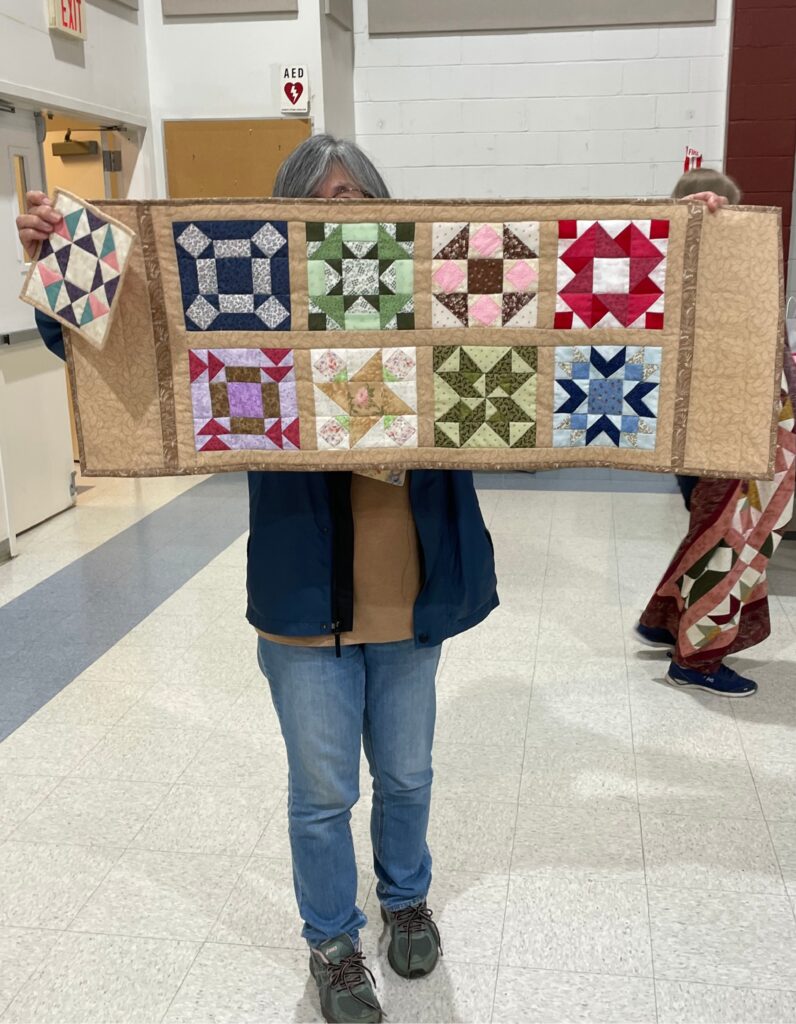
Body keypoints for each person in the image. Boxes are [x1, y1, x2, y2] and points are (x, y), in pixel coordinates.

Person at [17, 135, 499, 1024]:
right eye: (321, 200)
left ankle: (405, 901)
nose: (342, 215)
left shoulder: (437, 302)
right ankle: (333, 943)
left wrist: (698, 240)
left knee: (408, 773)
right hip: (303, 595)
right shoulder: (250, 313)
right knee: (322, 793)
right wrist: (59, 260)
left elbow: (566, 310)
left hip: (412, 590)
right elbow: (121, 340)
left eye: (357, 197)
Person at [635, 168, 796, 697]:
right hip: (725, 429)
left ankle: (663, 620)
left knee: (711, 532)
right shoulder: (683, 263)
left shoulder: (713, 274)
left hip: (708, 428)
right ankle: (696, 660)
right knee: (729, 541)